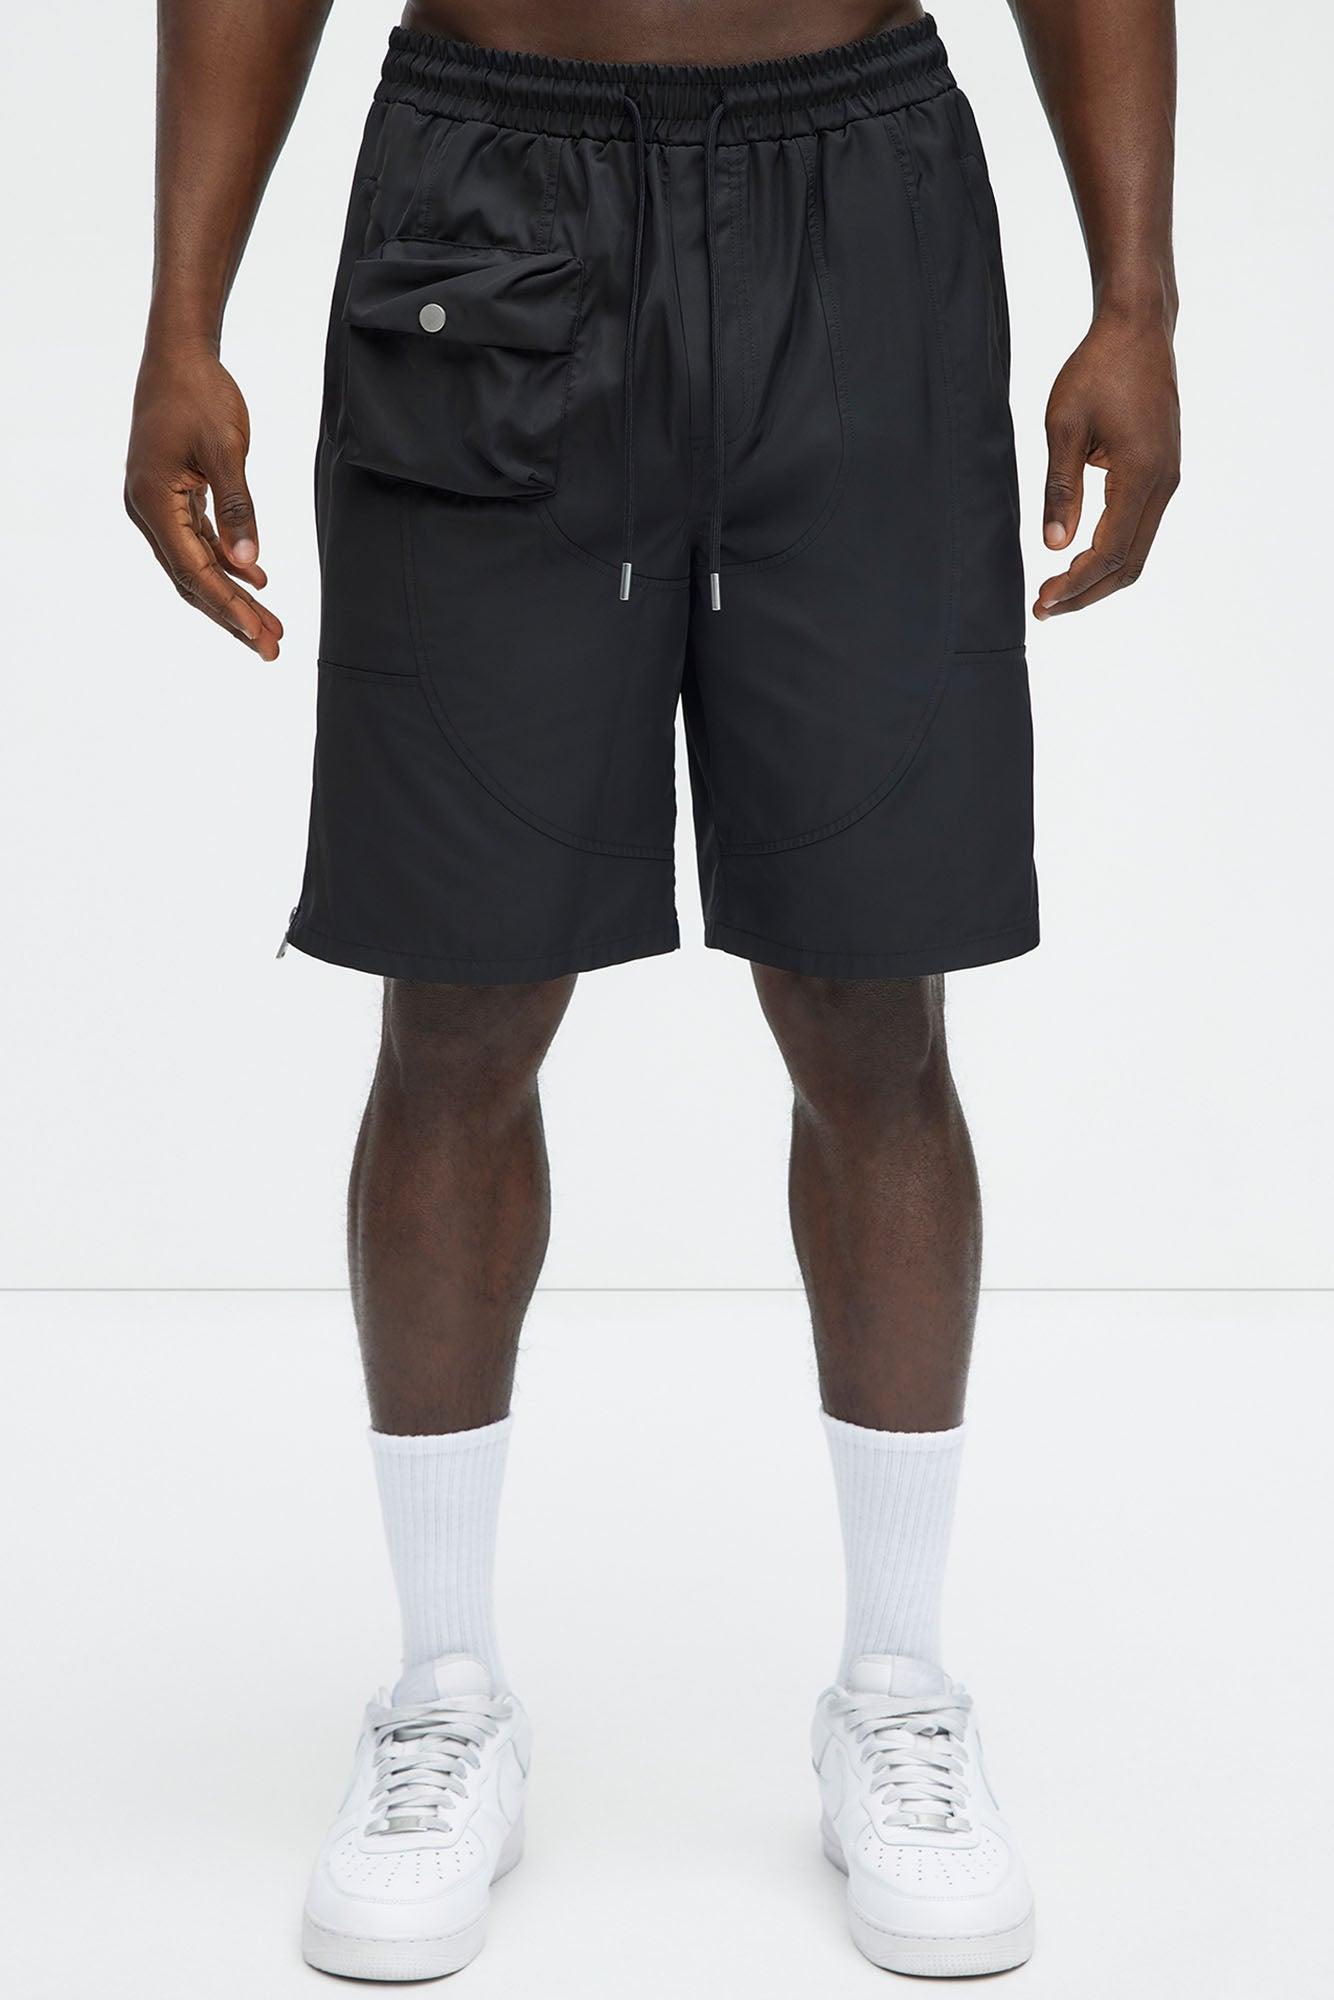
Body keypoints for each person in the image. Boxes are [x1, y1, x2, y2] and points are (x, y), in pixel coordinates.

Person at [125, 0, 1179, 1980]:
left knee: (869, 1000)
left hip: (862, 208)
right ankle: (443, 1692)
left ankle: (895, 1688)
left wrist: (1138, 293)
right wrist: (183, 311)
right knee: (457, 1001)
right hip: (484, 200)